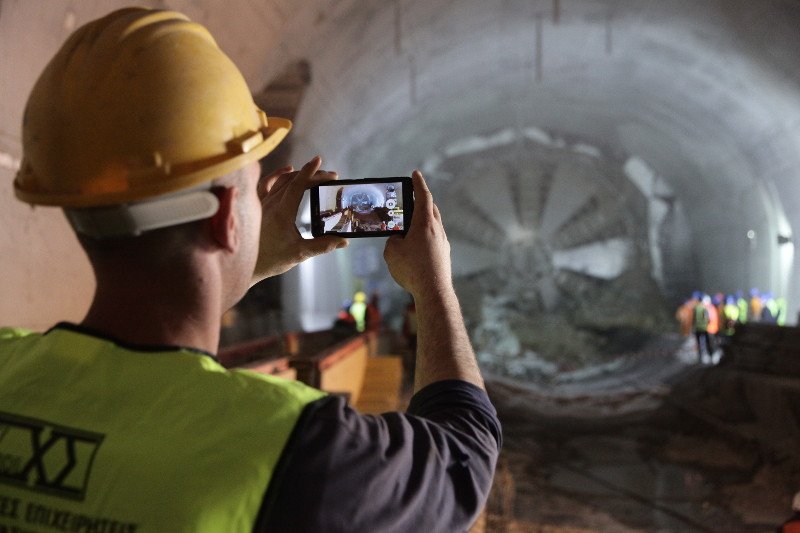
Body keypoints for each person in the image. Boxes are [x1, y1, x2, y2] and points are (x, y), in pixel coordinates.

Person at [0, 8, 500, 532]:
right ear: (224, 218)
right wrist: (433, 285)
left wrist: (244, 257)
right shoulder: (294, 444)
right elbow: (464, 457)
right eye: (252, 184)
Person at [693, 294, 713, 363]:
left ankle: (700, 357)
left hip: (697, 328)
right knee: (707, 343)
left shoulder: (696, 308)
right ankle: (710, 355)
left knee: (699, 343)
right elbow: (707, 318)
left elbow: (693, 318)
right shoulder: (704, 308)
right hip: (704, 328)